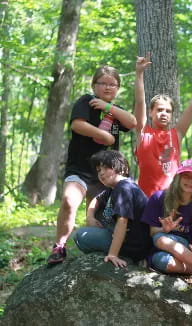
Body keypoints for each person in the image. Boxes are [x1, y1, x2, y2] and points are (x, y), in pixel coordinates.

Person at [47, 66, 136, 265]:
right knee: (69, 202)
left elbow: (132, 122)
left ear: (118, 88)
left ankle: (94, 254)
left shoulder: (115, 111)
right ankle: (59, 246)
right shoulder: (86, 101)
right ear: (94, 85)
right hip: (80, 169)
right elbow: (77, 124)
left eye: (112, 84)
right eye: (102, 83)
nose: (107, 87)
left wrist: (109, 108)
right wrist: (103, 135)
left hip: (105, 175)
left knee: (96, 217)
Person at [134, 53, 192, 197]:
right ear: (150, 112)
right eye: (159, 110)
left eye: (168, 111)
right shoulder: (143, 132)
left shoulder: (176, 134)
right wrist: (139, 73)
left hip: (171, 199)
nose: (163, 113)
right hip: (145, 200)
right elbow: (139, 102)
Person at [140, 159, 192, 283]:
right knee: (166, 261)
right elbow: (152, 232)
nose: (190, 181)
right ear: (178, 177)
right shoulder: (158, 198)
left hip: (186, 248)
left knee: (162, 239)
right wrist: (164, 229)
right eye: (186, 176)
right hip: (161, 251)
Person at [74, 150, 151, 267]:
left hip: (131, 245)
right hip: (123, 238)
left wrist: (113, 254)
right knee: (96, 217)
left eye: (105, 168)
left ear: (121, 168)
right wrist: (90, 217)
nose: (101, 173)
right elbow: (96, 200)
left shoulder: (123, 188)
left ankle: (126, 257)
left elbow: (122, 221)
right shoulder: (114, 188)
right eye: (99, 170)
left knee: (80, 236)